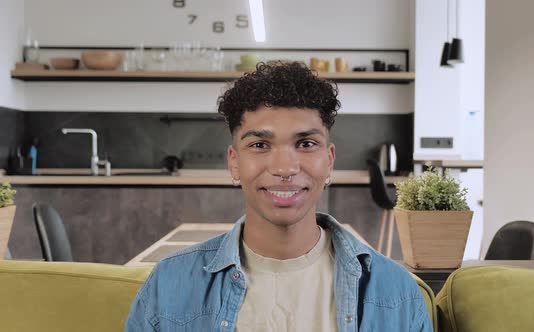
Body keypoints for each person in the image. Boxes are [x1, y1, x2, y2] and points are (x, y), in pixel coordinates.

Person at [125, 62, 432, 331]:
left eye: (306, 144)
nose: (285, 168)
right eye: (259, 145)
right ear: (234, 162)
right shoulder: (169, 285)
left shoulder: (397, 292)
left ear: (330, 160)